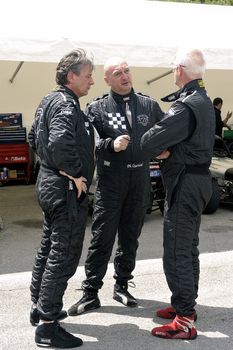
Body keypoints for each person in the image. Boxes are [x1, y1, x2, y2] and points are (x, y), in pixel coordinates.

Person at [68, 57, 164, 316]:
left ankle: (121, 285)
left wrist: (166, 150)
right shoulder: (97, 108)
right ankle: (90, 292)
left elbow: (165, 134)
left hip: (141, 180)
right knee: (102, 237)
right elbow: (89, 144)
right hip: (111, 181)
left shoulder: (149, 104)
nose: (124, 76)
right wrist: (111, 145)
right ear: (107, 80)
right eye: (117, 73)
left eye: (126, 70)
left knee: (131, 236)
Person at [141, 49, 215, 340]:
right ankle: (185, 307)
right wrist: (171, 149)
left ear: (182, 70)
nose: (172, 71)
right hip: (197, 181)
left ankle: (184, 320)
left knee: (177, 250)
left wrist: (163, 148)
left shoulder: (186, 105)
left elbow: (150, 141)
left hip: (185, 184)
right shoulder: (204, 100)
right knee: (188, 246)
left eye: (173, 67)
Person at [28, 49, 95, 348]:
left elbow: (33, 137)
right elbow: (57, 142)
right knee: (63, 255)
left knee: (48, 248)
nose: (91, 81)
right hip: (64, 189)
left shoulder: (48, 100)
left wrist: (54, 167)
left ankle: (38, 306)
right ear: (72, 76)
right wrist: (75, 173)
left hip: (48, 184)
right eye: (88, 75)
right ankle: (48, 325)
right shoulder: (66, 104)